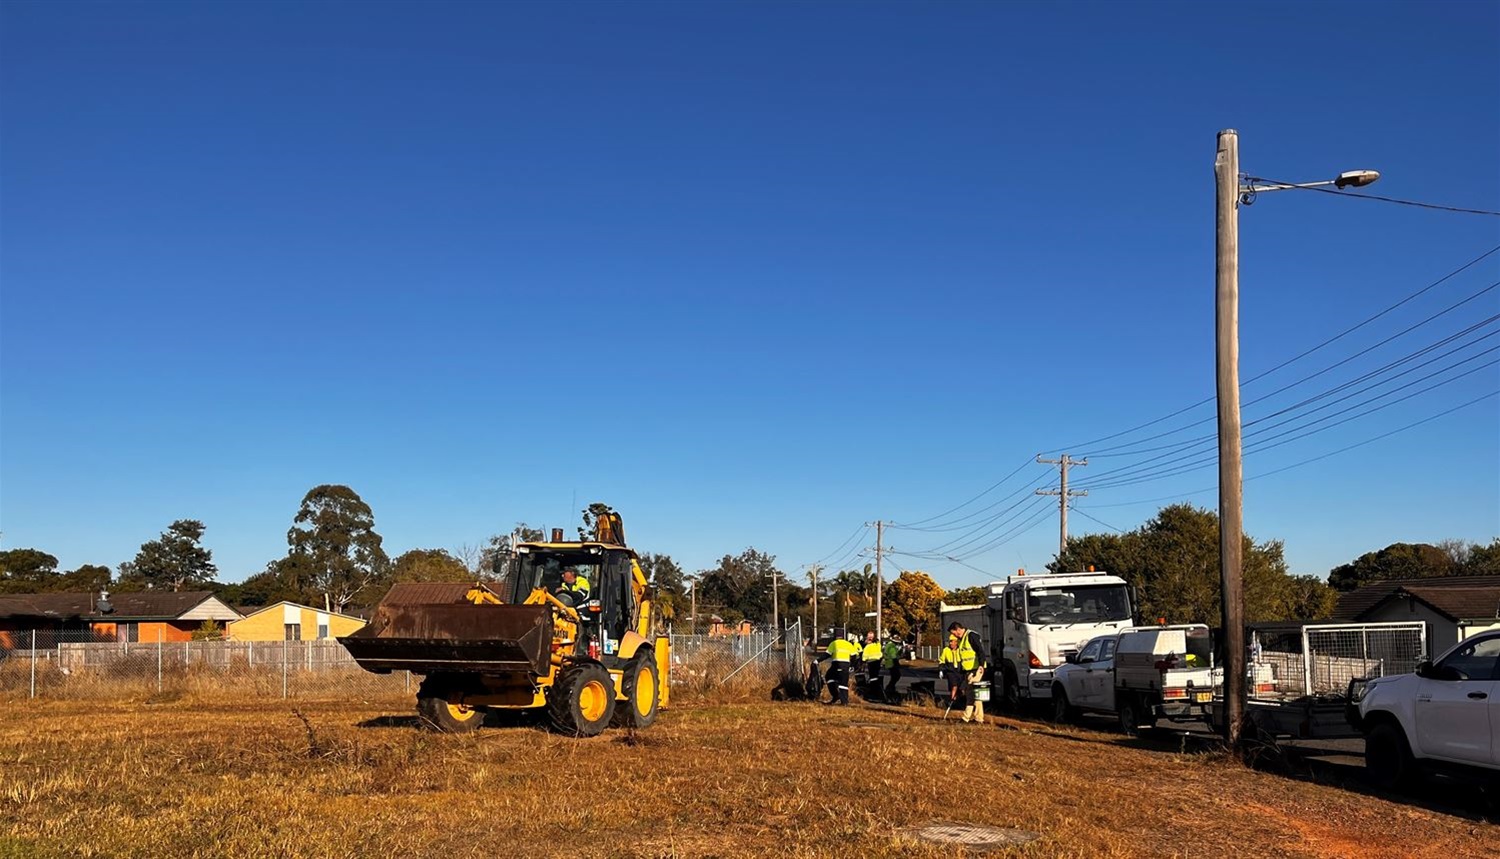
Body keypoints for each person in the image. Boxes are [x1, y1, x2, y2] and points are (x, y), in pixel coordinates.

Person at [948, 620, 987, 724]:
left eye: (953, 633)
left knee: (975, 694)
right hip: (968, 671)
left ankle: (976, 718)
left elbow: (980, 651)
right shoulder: (962, 639)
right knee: (971, 694)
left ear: (958, 629)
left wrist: (981, 665)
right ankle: (970, 718)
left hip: (976, 670)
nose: (953, 636)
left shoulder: (971, 636)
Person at [825, 634, 859, 705]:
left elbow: (827, 654)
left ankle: (836, 696)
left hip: (836, 664)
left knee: (829, 677)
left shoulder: (834, 643)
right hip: (846, 664)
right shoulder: (848, 644)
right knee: (843, 682)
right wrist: (852, 665)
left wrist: (817, 661)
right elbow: (854, 656)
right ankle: (844, 701)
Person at [881, 632, 903, 703]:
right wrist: (897, 664)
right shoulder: (892, 647)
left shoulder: (890, 645)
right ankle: (889, 689)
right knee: (896, 676)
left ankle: (891, 688)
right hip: (892, 664)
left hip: (890, 663)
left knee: (895, 677)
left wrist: (900, 652)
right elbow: (894, 656)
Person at [861, 632, 883, 697]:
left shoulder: (867, 647)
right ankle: (876, 688)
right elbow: (879, 646)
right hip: (878, 661)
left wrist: (862, 662)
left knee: (872, 676)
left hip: (871, 662)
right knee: (875, 675)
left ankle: (873, 690)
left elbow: (864, 657)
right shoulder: (877, 645)